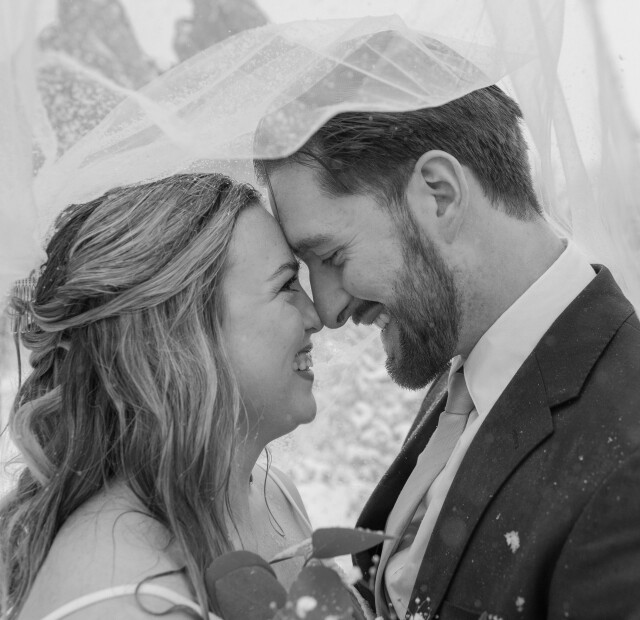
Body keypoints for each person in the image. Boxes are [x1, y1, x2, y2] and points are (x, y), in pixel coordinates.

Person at [258, 84, 640, 619]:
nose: (327, 310)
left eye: (333, 256)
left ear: (438, 194)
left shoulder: (626, 458)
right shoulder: (462, 369)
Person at [0, 173, 323, 619]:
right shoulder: (116, 595)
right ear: (182, 334)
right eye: (286, 285)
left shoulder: (276, 497)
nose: (316, 315)